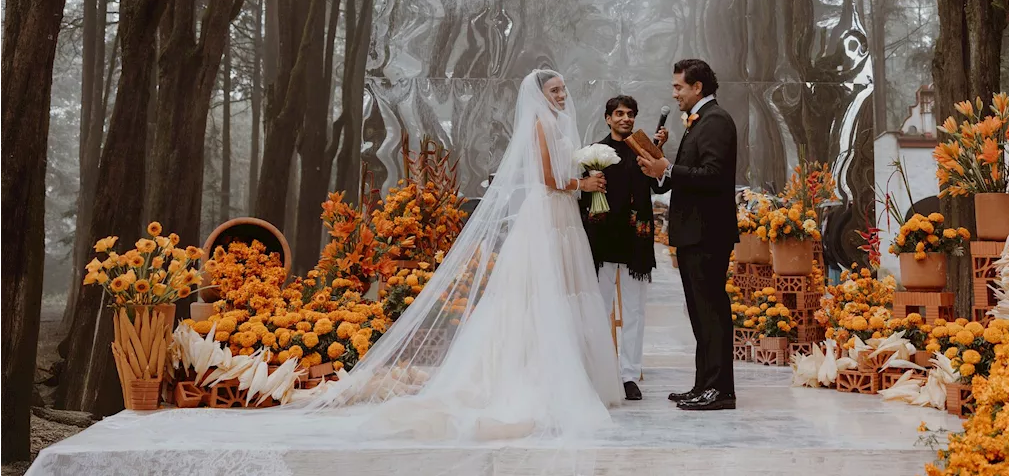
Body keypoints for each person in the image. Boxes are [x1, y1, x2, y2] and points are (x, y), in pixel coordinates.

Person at [25, 70, 623, 475]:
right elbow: (547, 180)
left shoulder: (562, 126)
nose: (563, 95)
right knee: (536, 298)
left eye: (565, 88)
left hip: (564, 221)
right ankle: (535, 376)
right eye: (555, 88)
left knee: (567, 295)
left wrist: (585, 180)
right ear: (538, 97)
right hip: (549, 218)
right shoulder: (542, 128)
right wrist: (584, 181)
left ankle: (570, 368)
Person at [637, 59, 738, 411]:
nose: (674, 93)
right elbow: (691, 174)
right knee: (699, 311)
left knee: (711, 310)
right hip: (695, 232)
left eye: (679, 87)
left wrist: (669, 169)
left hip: (708, 232)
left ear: (698, 87)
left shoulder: (715, 121)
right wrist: (660, 167)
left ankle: (721, 390)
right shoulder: (700, 122)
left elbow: (712, 175)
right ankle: (704, 384)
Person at [580, 95, 657, 401]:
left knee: (635, 310)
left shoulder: (642, 147)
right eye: (620, 114)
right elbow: (584, 195)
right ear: (608, 118)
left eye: (631, 114)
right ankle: (601, 371)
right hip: (602, 240)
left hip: (635, 239)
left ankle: (628, 375)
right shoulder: (593, 152)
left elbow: (661, 185)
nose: (626, 118)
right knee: (599, 307)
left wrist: (656, 156)